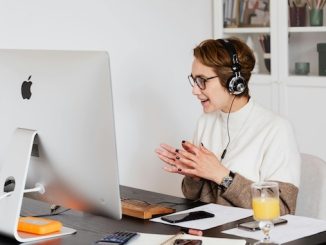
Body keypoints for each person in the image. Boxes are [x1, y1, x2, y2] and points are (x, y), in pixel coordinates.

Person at [155, 37, 301, 215]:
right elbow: (191, 197)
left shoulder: (276, 129)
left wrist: (222, 175)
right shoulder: (205, 121)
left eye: (202, 81)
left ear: (234, 81)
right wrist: (195, 177)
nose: (194, 90)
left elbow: (283, 209)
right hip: (206, 233)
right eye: (194, 81)